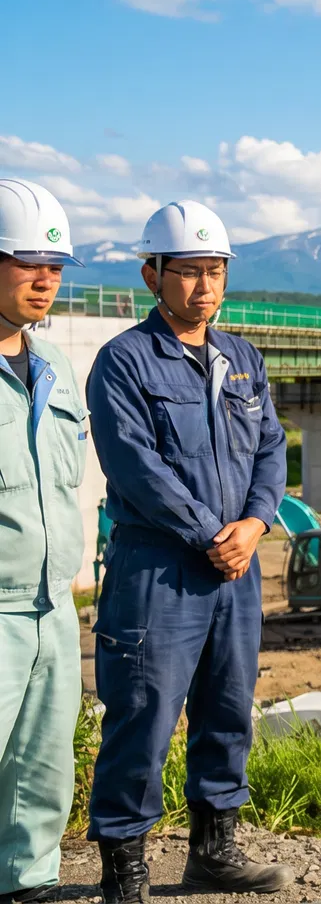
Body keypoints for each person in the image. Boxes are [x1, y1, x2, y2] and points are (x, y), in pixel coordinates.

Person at [87, 201, 290, 903]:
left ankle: (214, 851)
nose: (204, 287)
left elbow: (272, 448)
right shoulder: (124, 362)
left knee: (228, 707)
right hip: (160, 568)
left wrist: (257, 524)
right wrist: (212, 533)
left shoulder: (243, 358)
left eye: (216, 271)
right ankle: (125, 869)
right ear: (152, 274)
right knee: (143, 711)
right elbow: (135, 466)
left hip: (238, 563)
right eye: (189, 272)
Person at [0, 179, 88, 904]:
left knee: (42, 771)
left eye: (55, 267)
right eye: (28, 262)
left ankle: (28, 886)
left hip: (53, 604)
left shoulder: (55, 369)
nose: (44, 279)